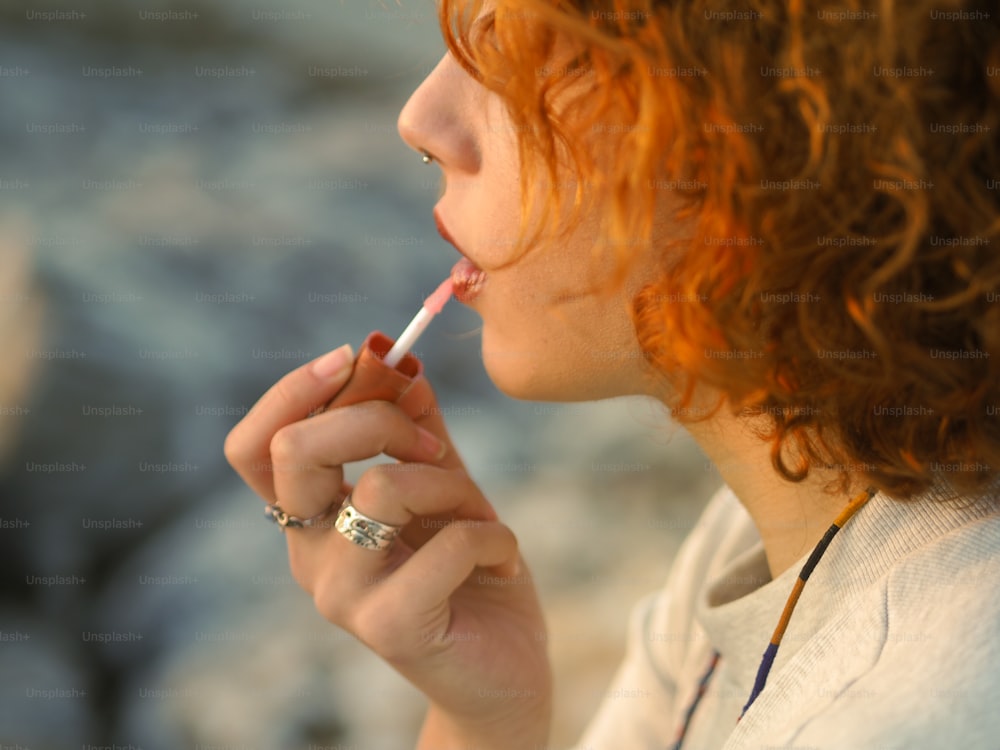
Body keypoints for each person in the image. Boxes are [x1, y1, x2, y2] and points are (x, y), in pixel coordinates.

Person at [225, 1, 1000, 747]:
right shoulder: (792, 514)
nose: (423, 121)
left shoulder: (903, 716)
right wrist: (486, 716)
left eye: (530, 54)